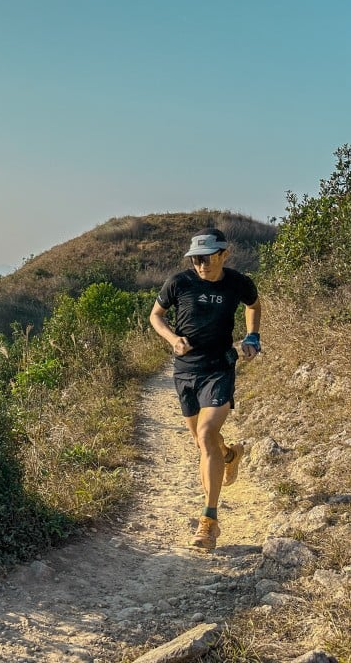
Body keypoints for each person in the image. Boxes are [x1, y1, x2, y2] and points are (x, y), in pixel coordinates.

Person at [148, 228, 261, 550]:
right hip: (185, 370)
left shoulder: (237, 282)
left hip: (219, 366)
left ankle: (208, 522)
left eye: (206, 258)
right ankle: (229, 455)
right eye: (195, 259)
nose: (200, 265)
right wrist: (172, 339)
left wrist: (252, 336)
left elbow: (253, 305)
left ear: (224, 254)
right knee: (203, 440)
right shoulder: (179, 283)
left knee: (206, 433)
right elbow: (156, 316)